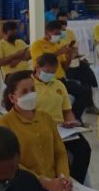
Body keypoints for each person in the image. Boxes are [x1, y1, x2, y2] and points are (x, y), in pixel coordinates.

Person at [33, 54, 91, 183]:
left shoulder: (58, 85)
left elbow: (67, 110)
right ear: (37, 68)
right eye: (47, 71)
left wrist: (70, 122)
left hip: (61, 130)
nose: (50, 75)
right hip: (39, 128)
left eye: (53, 72)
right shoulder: (30, 85)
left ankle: (76, 182)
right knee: (58, 155)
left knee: (84, 149)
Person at [30, 20, 94, 121]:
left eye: (59, 34)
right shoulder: (37, 45)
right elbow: (41, 61)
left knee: (85, 92)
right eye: (56, 33)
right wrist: (59, 52)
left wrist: (70, 56)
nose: (58, 36)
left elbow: (65, 67)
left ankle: (75, 118)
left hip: (60, 80)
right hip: (43, 79)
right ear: (47, 33)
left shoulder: (57, 45)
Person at [56, 14, 98, 91]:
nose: (63, 23)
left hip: (71, 59)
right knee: (78, 70)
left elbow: (75, 47)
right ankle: (85, 89)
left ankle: (92, 87)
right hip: (63, 65)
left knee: (85, 66)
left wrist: (74, 54)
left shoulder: (70, 32)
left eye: (65, 21)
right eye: (61, 21)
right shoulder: (54, 40)